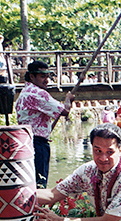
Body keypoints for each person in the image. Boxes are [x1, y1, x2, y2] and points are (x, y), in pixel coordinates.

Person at [15, 60, 74, 189]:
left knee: (29, 182)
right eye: (42, 76)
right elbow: (65, 111)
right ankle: (38, 206)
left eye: (47, 76)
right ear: (32, 76)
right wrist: (68, 99)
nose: (46, 80)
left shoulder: (24, 92)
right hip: (37, 144)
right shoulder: (37, 93)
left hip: (25, 143)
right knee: (40, 182)